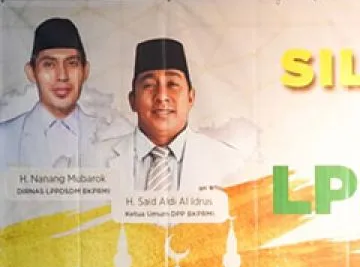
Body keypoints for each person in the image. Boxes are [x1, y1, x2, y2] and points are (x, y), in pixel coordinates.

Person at [107, 37, 242, 192]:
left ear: (191, 97)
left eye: (172, 84)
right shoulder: (93, 158)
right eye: (149, 85)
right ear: (132, 100)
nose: (162, 96)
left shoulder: (230, 162)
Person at [0, 17, 105, 169]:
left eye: (72, 63)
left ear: (85, 71)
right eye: (49, 64)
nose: (62, 75)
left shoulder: (110, 134)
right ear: (31, 72)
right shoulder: (5, 137)